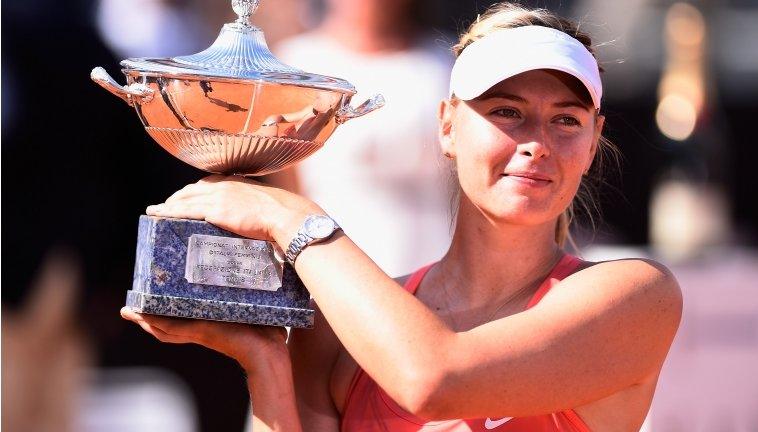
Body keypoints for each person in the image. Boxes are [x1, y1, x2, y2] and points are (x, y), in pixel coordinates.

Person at [121, 4, 683, 431]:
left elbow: (433, 378)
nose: (537, 143)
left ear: (593, 141)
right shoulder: (342, 332)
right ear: (446, 126)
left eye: (566, 120)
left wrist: (291, 218)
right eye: (505, 112)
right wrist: (265, 360)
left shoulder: (636, 296)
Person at [273, 0, 453, 277]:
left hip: (434, 262)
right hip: (329, 271)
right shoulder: (294, 61)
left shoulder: (445, 62)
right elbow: (286, 181)